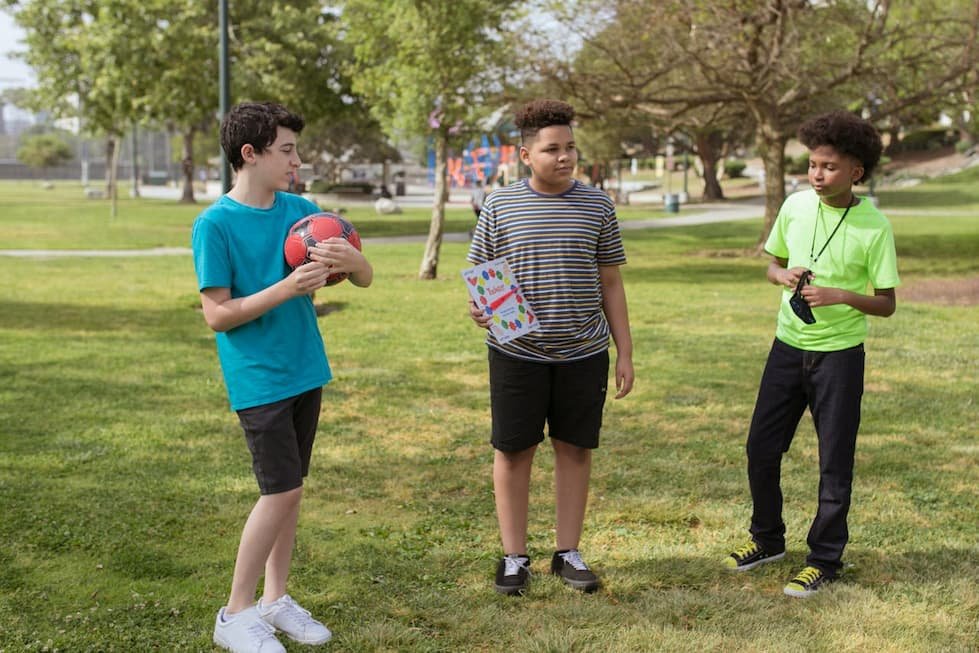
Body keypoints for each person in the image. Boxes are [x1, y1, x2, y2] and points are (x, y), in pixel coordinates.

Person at [192, 101, 373, 652]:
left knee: (290, 494)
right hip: (259, 379)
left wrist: (354, 263)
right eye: (287, 150)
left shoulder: (302, 211)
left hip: (304, 369)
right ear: (250, 154)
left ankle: (274, 600)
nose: (297, 159)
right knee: (279, 492)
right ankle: (235, 612)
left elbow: (359, 279)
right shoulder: (215, 225)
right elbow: (218, 315)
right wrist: (285, 288)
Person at [724, 110, 899, 598]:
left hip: (839, 357)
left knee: (833, 459)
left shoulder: (875, 226)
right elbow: (771, 267)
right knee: (761, 447)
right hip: (786, 347)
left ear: (856, 172)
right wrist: (782, 277)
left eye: (828, 167)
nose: (817, 174)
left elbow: (886, 303)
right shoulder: (796, 206)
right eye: (813, 165)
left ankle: (824, 558)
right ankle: (768, 539)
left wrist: (842, 295)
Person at [467, 99, 634, 595]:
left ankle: (567, 552)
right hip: (517, 352)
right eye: (551, 149)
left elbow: (611, 283)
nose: (564, 157)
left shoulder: (597, 204)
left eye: (570, 147)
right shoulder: (499, 205)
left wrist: (624, 351)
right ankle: (514, 556)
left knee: (575, 449)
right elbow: (484, 275)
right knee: (514, 451)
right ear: (524, 154)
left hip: (584, 352)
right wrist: (480, 309)